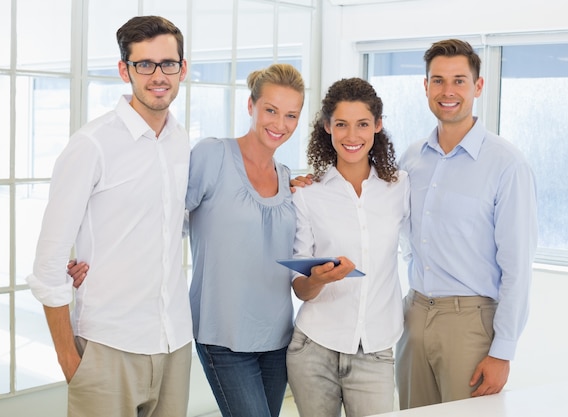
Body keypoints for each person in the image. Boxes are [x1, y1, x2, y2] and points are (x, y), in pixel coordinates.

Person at [26, 15, 193, 417]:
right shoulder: (91, 146)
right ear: (125, 70)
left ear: (182, 69)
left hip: (174, 345)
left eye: (168, 63)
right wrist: (71, 361)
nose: (158, 75)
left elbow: (171, 225)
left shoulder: (180, 140)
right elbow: (47, 266)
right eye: (144, 64)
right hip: (107, 348)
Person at [395, 38, 538, 408]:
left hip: (470, 324)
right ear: (425, 86)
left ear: (478, 86)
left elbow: (517, 268)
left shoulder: (507, 164)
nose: (448, 91)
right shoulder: (411, 159)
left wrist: (502, 351)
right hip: (412, 318)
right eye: (438, 80)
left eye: (459, 80)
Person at [185, 63, 305, 417]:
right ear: (250, 106)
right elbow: (164, 223)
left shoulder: (287, 178)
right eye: (271, 110)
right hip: (223, 334)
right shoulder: (212, 155)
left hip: (278, 335)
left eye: (291, 115)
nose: (279, 124)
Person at [286, 77, 410, 417]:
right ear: (327, 127)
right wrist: (320, 279)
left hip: (376, 349)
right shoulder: (308, 194)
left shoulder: (399, 186)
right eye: (341, 124)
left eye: (362, 124)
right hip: (313, 348)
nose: (352, 136)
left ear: (378, 126)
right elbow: (301, 289)